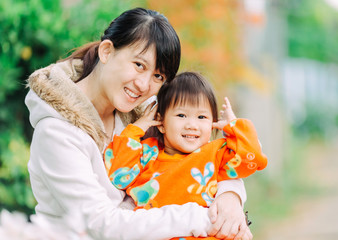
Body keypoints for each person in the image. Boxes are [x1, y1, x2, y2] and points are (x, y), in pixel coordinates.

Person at [25, 7, 251, 240]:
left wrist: (230, 200)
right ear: (106, 51)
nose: (144, 85)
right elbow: (102, 224)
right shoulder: (56, 133)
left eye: (158, 76)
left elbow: (199, 162)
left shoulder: (143, 114)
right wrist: (205, 219)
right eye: (139, 65)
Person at [105, 72, 268, 240]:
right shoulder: (148, 153)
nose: (192, 125)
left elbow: (253, 157)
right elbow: (118, 176)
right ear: (160, 121)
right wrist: (136, 129)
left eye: (202, 117)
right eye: (181, 115)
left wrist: (234, 127)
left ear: (213, 123)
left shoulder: (216, 154)